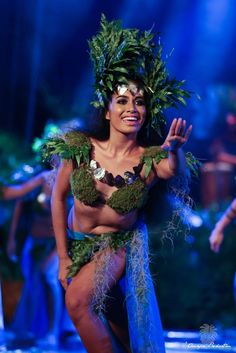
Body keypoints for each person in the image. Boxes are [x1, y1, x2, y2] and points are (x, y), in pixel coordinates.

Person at [43, 15, 197, 353]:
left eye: (139, 101)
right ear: (108, 110)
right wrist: (63, 256)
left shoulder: (151, 157)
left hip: (118, 247)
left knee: (78, 303)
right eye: (123, 101)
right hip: (78, 244)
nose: (132, 108)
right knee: (122, 329)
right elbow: (57, 199)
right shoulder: (81, 149)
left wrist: (177, 149)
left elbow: (173, 171)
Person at [1, 170, 63, 345]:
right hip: (35, 241)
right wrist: (12, 239)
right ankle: (31, 330)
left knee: (49, 277)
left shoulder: (68, 180)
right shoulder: (39, 179)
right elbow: (19, 198)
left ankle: (53, 331)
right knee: (32, 282)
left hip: (56, 242)